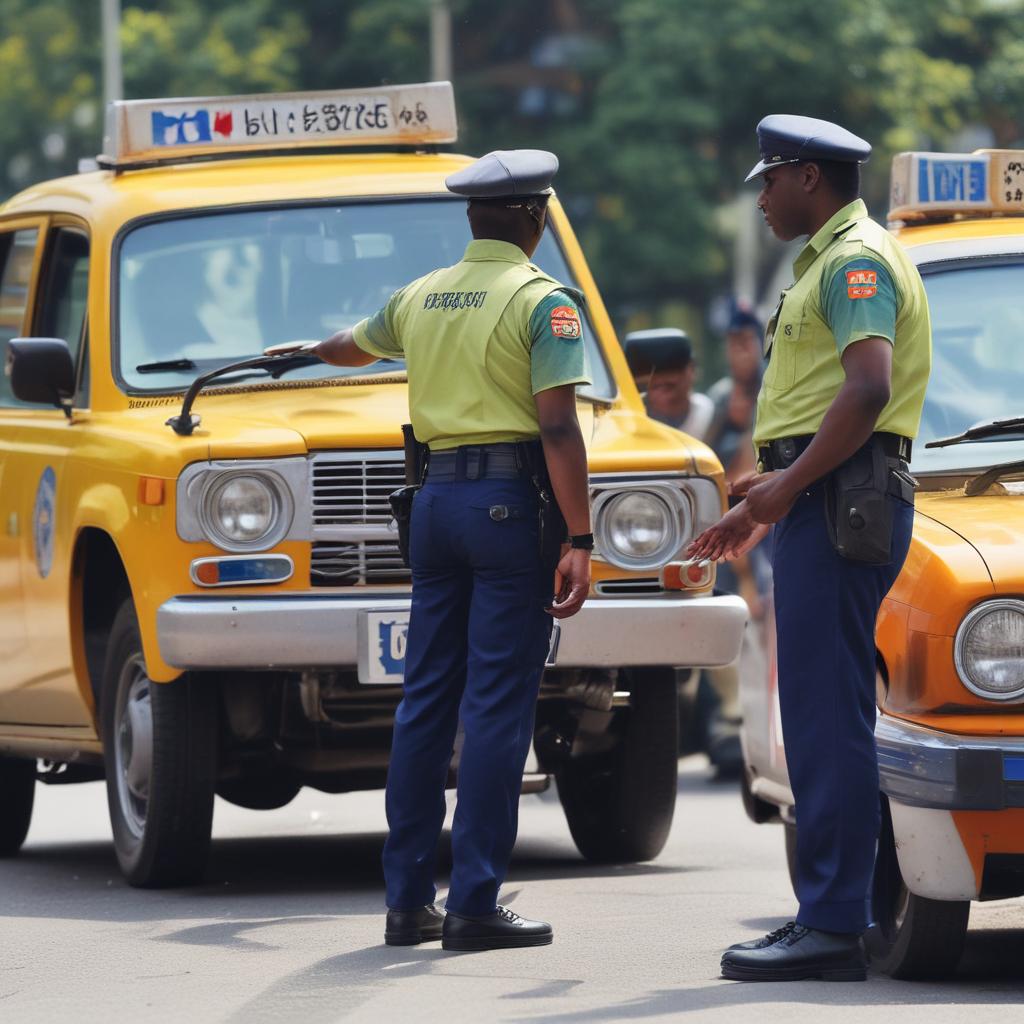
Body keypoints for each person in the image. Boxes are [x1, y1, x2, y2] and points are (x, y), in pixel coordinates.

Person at [267, 149, 593, 952]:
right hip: (506, 508)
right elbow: (557, 427)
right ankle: (475, 903)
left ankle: (408, 901)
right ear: (535, 218)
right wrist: (581, 537)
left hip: (434, 505)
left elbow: (353, 343)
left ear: (474, 219)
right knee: (495, 708)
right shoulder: (543, 302)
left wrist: (304, 351)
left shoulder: (422, 296)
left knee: (425, 701)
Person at [689, 114, 931, 982]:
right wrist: (772, 492)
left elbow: (868, 389)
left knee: (828, 719)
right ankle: (839, 912)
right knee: (828, 713)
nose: (761, 197)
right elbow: (824, 402)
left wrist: (789, 486)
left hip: (837, 505)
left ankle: (830, 925)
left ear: (808, 179)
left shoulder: (855, 261)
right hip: (823, 500)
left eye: (769, 180)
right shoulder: (829, 263)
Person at [626, 329, 715, 439]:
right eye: (648, 371)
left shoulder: (708, 414)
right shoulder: (625, 420)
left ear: (692, 369)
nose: (661, 378)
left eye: (672, 367)